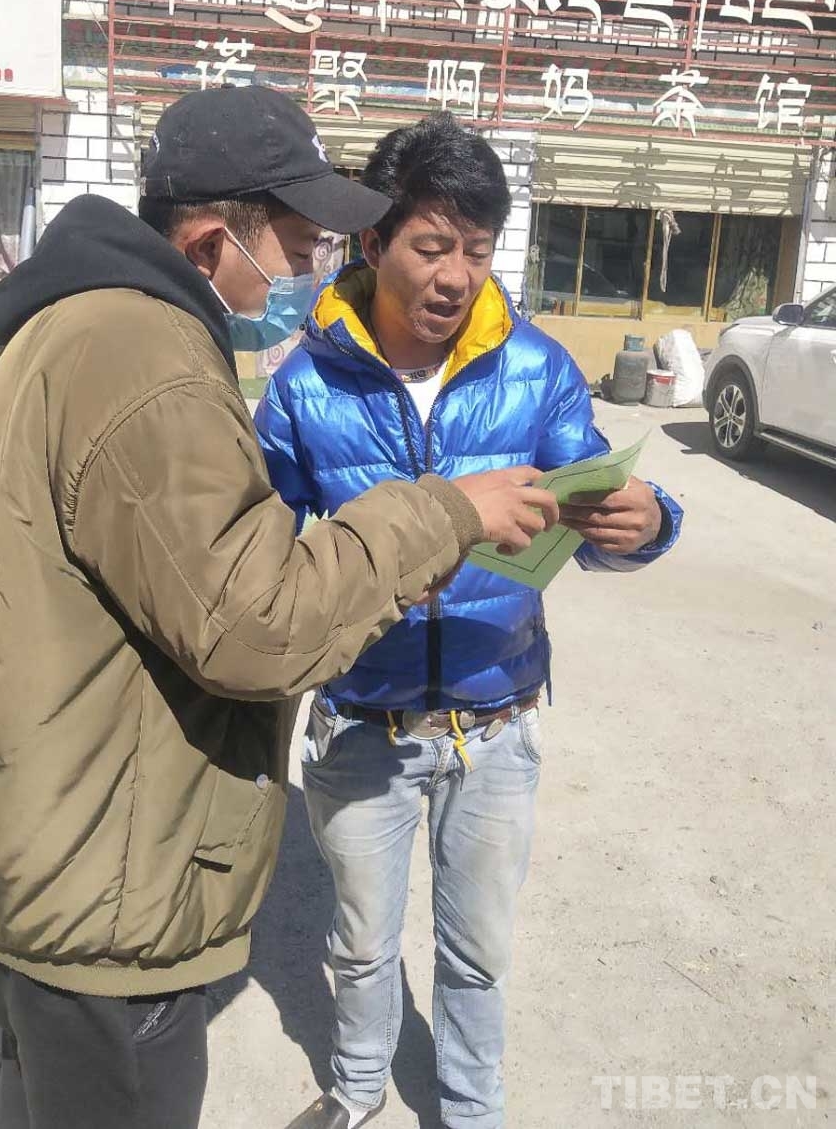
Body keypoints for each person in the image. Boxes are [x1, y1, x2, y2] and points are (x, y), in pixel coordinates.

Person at [0, 87, 567, 1129]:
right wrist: (442, 513)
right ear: (215, 242)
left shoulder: (66, 330)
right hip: (102, 878)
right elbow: (255, 624)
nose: (313, 270)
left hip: (41, 830)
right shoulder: (150, 362)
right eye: (300, 246)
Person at [254, 113, 684, 1129]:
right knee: (361, 943)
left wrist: (645, 521)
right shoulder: (306, 383)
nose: (456, 277)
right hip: (362, 720)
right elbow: (260, 552)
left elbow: (587, 501)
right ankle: (358, 1088)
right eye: (433, 246)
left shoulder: (535, 368)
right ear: (374, 242)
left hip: (496, 723)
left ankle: (470, 1108)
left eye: (478, 251)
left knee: (478, 953)